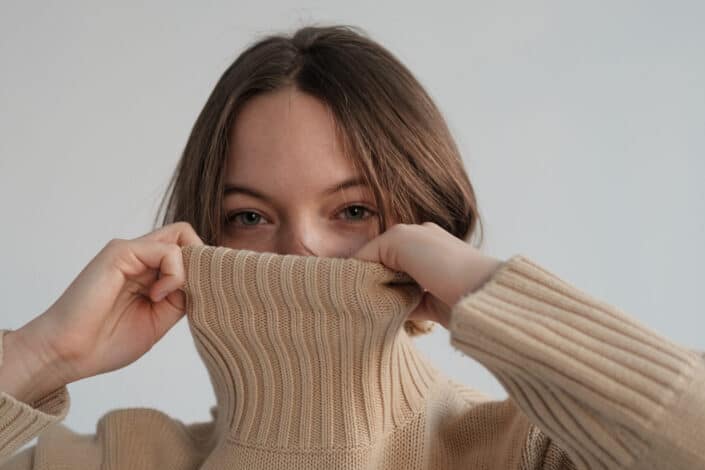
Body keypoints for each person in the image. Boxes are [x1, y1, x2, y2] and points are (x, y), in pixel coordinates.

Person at [0, 25, 703, 470]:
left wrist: (492, 294)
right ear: (197, 238)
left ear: (425, 233)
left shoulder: (524, 454)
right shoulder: (118, 461)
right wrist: (38, 355)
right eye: (248, 216)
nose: (302, 251)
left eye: (354, 210)